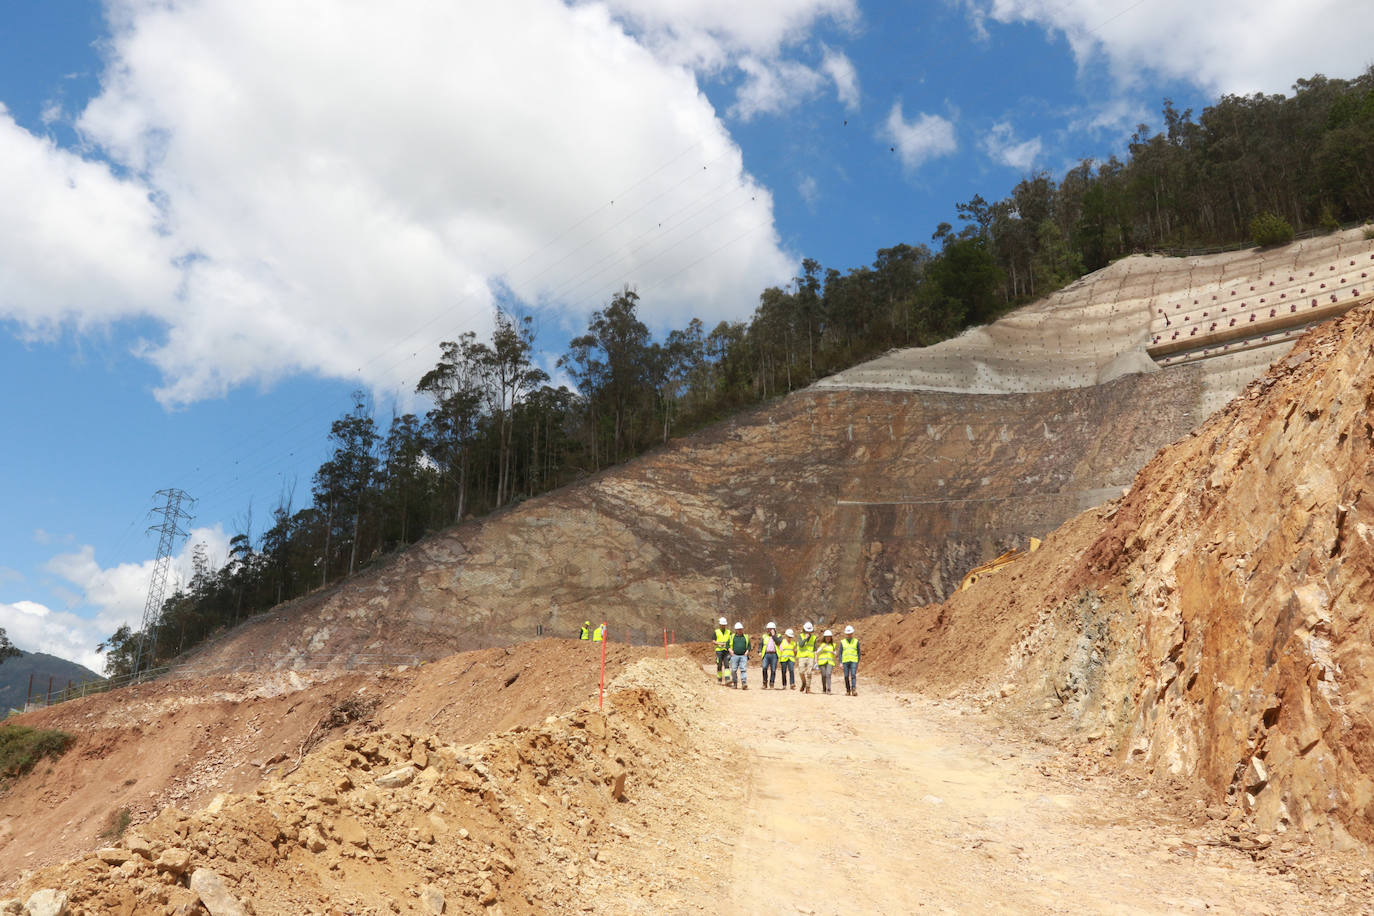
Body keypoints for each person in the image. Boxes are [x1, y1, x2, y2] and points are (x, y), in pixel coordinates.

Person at [795, 622, 818, 694]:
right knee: (801, 672)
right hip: (802, 656)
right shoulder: (800, 636)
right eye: (807, 630)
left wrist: (816, 660)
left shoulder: (814, 638)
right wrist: (805, 638)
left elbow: (815, 650)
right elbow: (801, 645)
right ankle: (804, 683)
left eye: (810, 631)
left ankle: (808, 688)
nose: (809, 632)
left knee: (809, 672)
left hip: (810, 657)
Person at [729, 622, 751, 689]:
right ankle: (735, 684)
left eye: (741, 629)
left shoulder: (746, 637)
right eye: (738, 629)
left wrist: (747, 652)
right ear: (736, 630)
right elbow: (727, 645)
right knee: (733, 670)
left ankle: (744, 683)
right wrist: (730, 651)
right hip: (735, 656)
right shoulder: (732, 637)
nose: (740, 630)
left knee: (743, 670)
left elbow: (749, 646)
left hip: (743, 656)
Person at [840, 625, 860, 696]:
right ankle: (848, 690)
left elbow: (858, 652)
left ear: (852, 633)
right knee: (846, 676)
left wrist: (857, 661)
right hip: (845, 661)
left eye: (850, 633)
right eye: (848, 633)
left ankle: (853, 689)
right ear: (846, 634)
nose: (849, 635)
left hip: (854, 661)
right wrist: (840, 662)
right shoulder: (843, 642)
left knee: (853, 675)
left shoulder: (856, 641)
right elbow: (840, 653)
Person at [816, 630, 837, 694]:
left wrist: (834, 653)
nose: (828, 638)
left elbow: (835, 653)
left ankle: (829, 689)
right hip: (822, 662)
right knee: (824, 675)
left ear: (831, 638)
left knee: (828, 674)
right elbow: (817, 653)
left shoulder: (833, 645)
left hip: (830, 662)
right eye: (826, 637)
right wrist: (822, 649)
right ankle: (824, 688)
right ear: (824, 638)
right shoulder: (822, 645)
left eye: (829, 637)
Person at [760, 622, 780, 689]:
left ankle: (772, 683)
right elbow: (761, 644)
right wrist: (759, 651)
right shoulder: (764, 636)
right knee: (764, 668)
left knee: (773, 670)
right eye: (768, 629)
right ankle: (764, 683)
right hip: (766, 655)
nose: (769, 630)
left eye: (771, 629)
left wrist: (774, 635)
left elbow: (778, 642)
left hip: (774, 655)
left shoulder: (778, 636)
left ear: (774, 629)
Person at [713, 617, 732, 686]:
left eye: (724, 625)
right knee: (719, 664)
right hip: (719, 651)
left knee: (727, 664)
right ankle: (719, 680)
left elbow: (731, 640)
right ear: (720, 625)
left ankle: (727, 679)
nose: (723, 626)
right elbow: (714, 641)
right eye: (722, 625)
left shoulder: (729, 632)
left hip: (726, 651)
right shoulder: (716, 632)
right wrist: (720, 644)